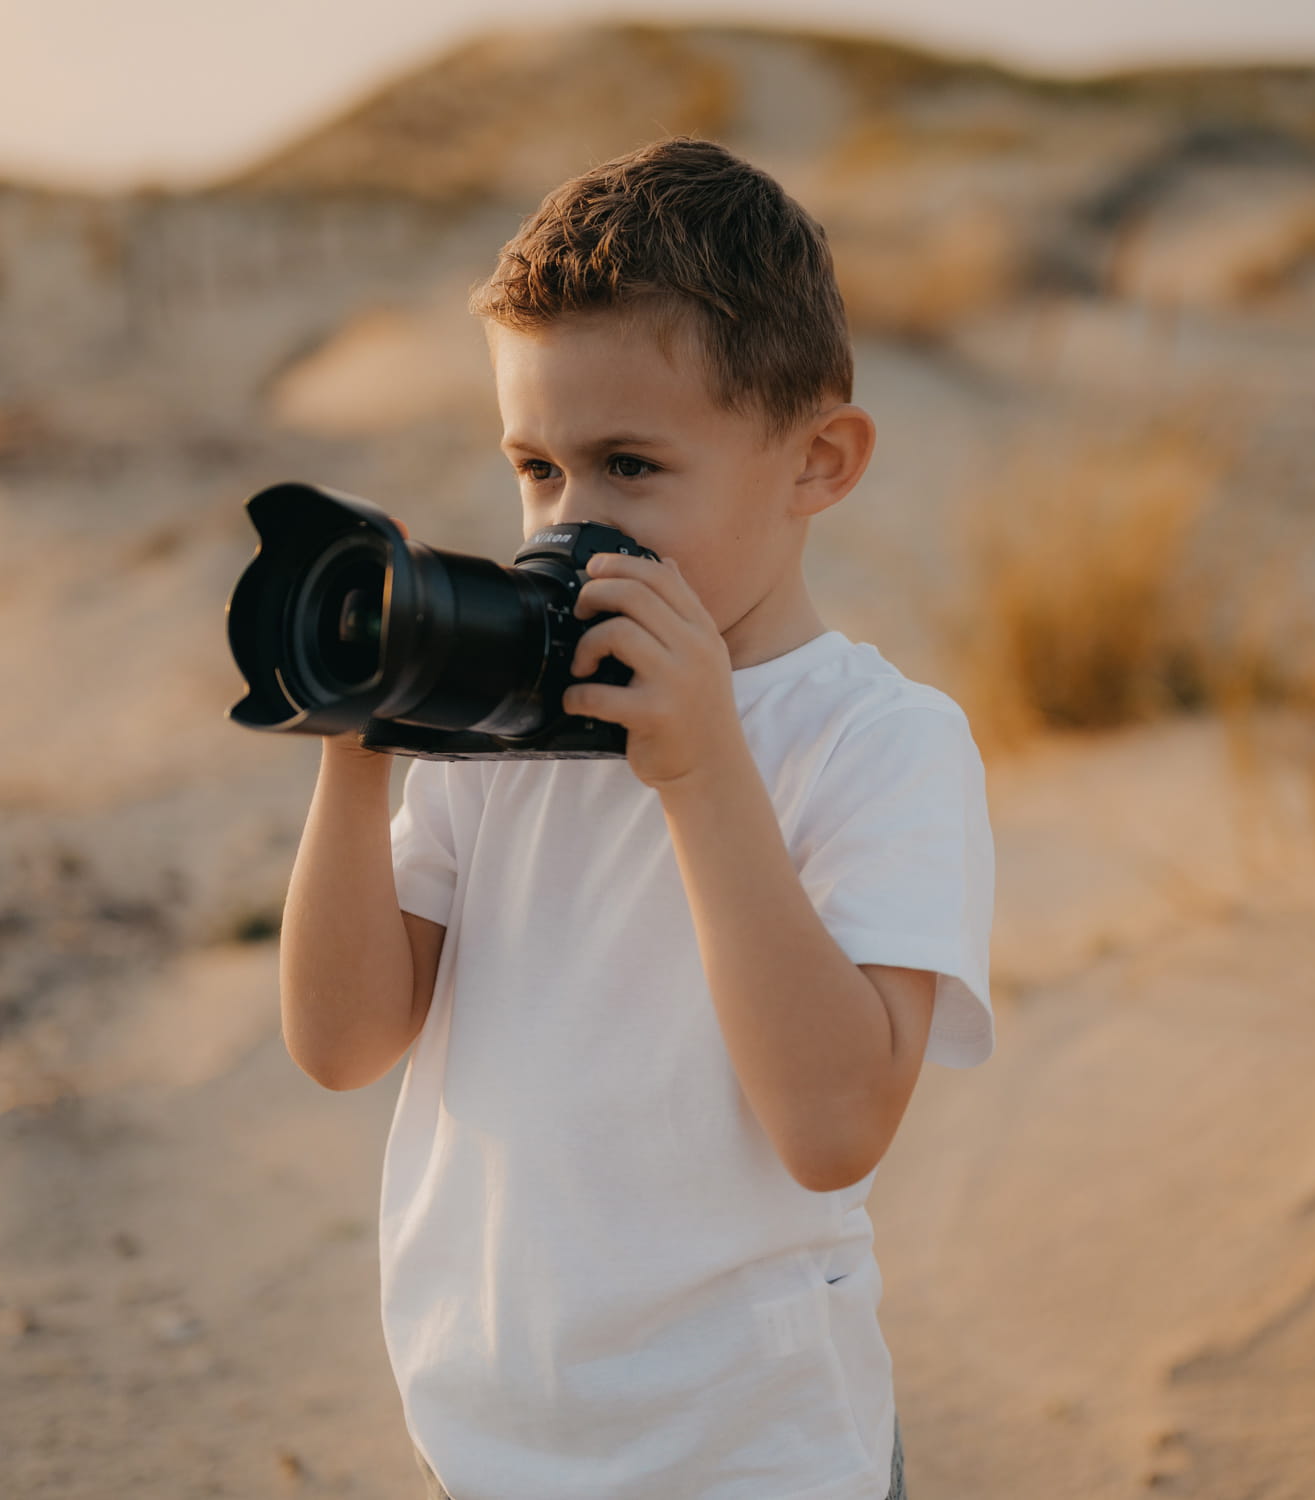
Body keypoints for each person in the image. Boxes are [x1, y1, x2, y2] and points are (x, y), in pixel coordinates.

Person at [276, 134, 995, 1500]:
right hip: (489, 1434)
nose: (568, 524)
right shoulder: (499, 727)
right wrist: (356, 753)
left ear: (818, 462)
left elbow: (837, 1125)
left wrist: (706, 768)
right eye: (537, 468)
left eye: (630, 468)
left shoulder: (879, 745)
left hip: (747, 1453)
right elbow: (343, 1041)